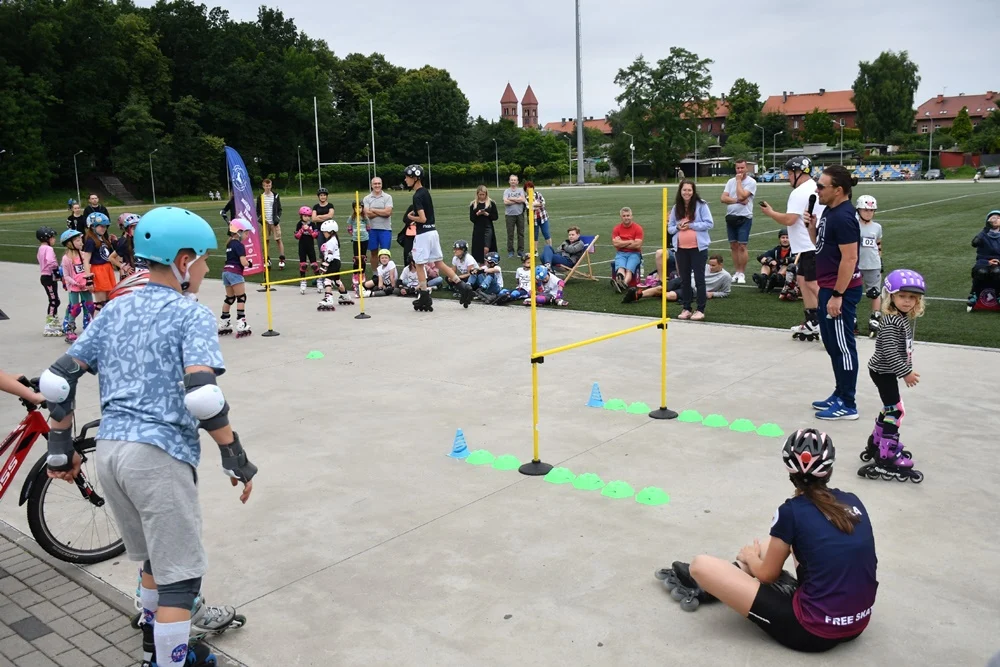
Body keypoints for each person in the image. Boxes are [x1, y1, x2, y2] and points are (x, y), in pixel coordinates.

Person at [38, 206, 256, 667]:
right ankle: (167, 662)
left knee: (156, 562)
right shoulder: (189, 314)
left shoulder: (115, 308)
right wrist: (234, 455)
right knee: (181, 579)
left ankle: (154, 648)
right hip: (157, 456)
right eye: (203, 260)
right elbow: (203, 396)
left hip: (111, 453)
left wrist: (60, 449)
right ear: (182, 261)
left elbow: (57, 380)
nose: (206, 269)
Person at [659, 429, 876, 654]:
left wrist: (751, 557)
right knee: (785, 542)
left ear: (788, 469)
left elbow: (767, 576)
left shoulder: (791, 511)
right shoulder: (852, 501)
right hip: (858, 624)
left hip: (812, 632)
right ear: (829, 469)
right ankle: (735, 574)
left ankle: (722, 581)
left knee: (700, 565)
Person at [804, 166, 862, 420]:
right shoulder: (829, 211)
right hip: (828, 287)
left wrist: (838, 294)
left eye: (821, 186)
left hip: (841, 291)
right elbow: (821, 246)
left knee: (843, 347)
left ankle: (848, 403)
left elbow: (850, 259)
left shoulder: (844, 217)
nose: (817, 190)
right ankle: (839, 393)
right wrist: (812, 228)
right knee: (831, 344)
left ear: (838, 190)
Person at [860, 269, 926, 483]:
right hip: (883, 371)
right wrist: (905, 372)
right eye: (902, 296)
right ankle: (887, 454)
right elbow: (889, 351)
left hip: (886, 371)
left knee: (889, 408)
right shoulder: (891, 322)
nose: (907, 301)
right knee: (896, 411)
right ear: (891, 297)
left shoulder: (900, 318)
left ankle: (877, 442)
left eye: (912, 297)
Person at [760, 156, 824, 341]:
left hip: (809, 245)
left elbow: (789, 219)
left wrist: (770, 212)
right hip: (807, 245)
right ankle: (813, 321)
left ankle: (832, 320)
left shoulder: (799, 192)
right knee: (803, 281)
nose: (788, 177)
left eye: (789, 173)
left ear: (798, 173)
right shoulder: (813, 186)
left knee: (812, 284)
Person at [404, 164, 473, 311]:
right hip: (433, 232)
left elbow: (422, 218)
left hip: (423, 235)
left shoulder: (417, 195)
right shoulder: (425, 192)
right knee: (439, 263)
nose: (405, 180)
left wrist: (411, 217)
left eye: (407, 177)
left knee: (419, 264)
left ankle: (424, 296)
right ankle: (463, 287)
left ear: (415, 178)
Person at [667, 181, 714, 320]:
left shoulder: (701, 205)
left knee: (699, 279)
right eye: (684, 190)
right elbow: (670, 228)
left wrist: (691, 225)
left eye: (689, 190)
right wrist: (678, 227)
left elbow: (709, 223)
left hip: (698, 248)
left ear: (693, 192)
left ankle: (700, 309)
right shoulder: (676, 207)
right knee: (685, 280)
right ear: (680, 191)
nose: (686, 193)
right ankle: (686, 308)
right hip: (681, 249)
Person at [623, 254, 730, 304]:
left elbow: (726, 292)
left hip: (693, 290)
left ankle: (651, 294)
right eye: (710, 264)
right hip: (684, 280)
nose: (710, 267)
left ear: (721, 264)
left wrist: (713, 294)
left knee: (669, 296)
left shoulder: (725, 276)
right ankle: (637, 295)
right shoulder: (704, 266)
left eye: (713, 265)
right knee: (660, 288)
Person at [721, 159, 757, 284]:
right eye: (738, 168)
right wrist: (737, 201)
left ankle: (742, 273)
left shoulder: (751, 182)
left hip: (744, 217)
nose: (740, 170)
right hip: (731, 216)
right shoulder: (730, 181)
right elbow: (723, 198)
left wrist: (738, 182)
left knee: (742, 246)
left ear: (746, 168)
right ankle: (736, 272)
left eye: (742, 168)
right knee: (733, 246)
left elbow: (742, 195)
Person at [82, 212, 122, 314]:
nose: (104, 229)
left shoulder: (103, 239)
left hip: (107, 270)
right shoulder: (90, 241)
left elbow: (111, 256)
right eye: (101, 226)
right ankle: (95, 323)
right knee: (100, 303)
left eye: (105, 226)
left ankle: (107, 323)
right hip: (98, 271)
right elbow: (86, 260)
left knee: (109, 302)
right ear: (92, 227)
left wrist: (114, 243)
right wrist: (89, 279)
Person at [219, 220, 253, 338]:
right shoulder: (239, 245)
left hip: (226, 272)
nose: (247, 235)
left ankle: (224, 322)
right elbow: (243, 262)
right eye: (246, 233)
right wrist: (250, 263)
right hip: (235, 272)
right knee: (241, 297)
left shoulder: (229, 244)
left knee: (230, 298)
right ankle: (241, 323)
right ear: (239, 232)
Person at [59, 229, 93, 343]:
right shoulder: (66, 259)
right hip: (74, 286)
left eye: (80, 240)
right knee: (75, 308)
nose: (81, 242)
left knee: (90, 306)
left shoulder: (83, 255)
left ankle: (89, 325)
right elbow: (66, 276)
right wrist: (75, 283)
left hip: (85, 285)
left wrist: (89, 280)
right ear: (70, 243)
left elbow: (87, 269)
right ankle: (70, 329)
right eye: (78, 241)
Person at [855, 196, 883, 336]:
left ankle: (875, 318)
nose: (868, 213)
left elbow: (878, 244)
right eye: (865, 210)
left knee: (874, 293)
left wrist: (880, 260)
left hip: (873, 264)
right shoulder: (853, 225)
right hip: (856, 264)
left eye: (871, 210)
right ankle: (851, 318)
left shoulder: (877, 227)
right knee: (852, 292)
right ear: (858, 210)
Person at [317, 221, 354, 310]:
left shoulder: (330, 242)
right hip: (337, 262)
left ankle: (328, 298)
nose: (324, 234)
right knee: (337, 280)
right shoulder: (334, 239)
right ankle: (345, 296)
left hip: (332, 262)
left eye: (325, 232)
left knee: (327, 280)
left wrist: (324, 266)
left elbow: (329, 256)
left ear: (331, 231)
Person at [968, 209, 1000, 310]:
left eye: (998, 218)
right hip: (983, 262)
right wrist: (986, 229)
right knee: (981, 272)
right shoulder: (983, 234)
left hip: (998, 262)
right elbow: (974, 243)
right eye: (993, 218)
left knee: (997, 271)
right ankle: (974, 295)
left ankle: (999, 295)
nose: (996, 220)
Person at [36, 227, 62, 337]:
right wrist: (57, 270)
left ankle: (54, 321)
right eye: (53, 237)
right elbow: (51, 261)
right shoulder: (48, 249)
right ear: (46, 238)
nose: (54, 239)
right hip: (48, 277)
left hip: (46, 276)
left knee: (55, 300)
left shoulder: (41, 248)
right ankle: (49, 324)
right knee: (53, 301)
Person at [363, 177, 394, 269]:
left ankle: (386, 272)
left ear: (381, 184)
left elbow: (388, 213)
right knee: (373, 252)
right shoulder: (367, 198)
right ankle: (375, 273)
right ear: (371, 185)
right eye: (375, 184)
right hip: (371, 229)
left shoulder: (388, 197)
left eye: (379, 183)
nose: (377, 185)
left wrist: (373, 209)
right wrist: (382, 211)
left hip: (385, 229)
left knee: (385, 253)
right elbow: (368, 214)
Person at [611, 207, 644, 291]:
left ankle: (623, 284)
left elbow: (637, 245)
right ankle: (620, 282)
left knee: (629, 270)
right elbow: (615, 244)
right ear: (621, 217)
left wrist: (621, 243)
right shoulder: (616, 228)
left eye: (628, 215)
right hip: (621, 253)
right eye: (624, 216)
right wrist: (630, 241)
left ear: (631, 216)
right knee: (620, 268)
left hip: (635, 253)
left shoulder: (638, 228)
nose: (626, 218)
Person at [255, 178, 284, 269]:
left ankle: (282, 258)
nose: (268, 187)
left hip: (274, 222)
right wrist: (260, 219)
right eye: (266, 186)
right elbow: (258, 210)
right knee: (266, 240)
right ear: (263, 186)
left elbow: (279, 209)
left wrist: (277, 218)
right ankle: (267, 259)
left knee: (278, 239)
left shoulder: (275, 196)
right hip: (265, 222)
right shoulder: (260, 197)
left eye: (269, 186)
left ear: (271, 186)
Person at [294, 206, 322, 294]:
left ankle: (319, 280)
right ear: (301, 216)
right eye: (305, 216)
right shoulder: (299, 224)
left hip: (310, 246)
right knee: (303, 265)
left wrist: (309, 230)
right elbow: (297, 236)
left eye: (309, 216)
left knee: (314, 265)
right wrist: (302, 230)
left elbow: (315, 235)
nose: (307, 218)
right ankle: (303, 281)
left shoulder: (312, 224)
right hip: (302, 246)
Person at [469, 185, 499, 264]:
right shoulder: (473, 204)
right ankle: (481, 264)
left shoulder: (491, 203)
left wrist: (487, 214)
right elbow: (472, 219)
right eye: (480, 194)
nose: (482, 196)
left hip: (488, 228)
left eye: (483, 194)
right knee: (479, 248)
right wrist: (477, 214)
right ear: (477, 194)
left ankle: (487, 263)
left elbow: (495, 217)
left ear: (486, 194)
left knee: (486, 248)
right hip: (478, 229)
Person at [347, 201, 371, 293]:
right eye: (356, 208)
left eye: (360, 207)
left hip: (364, 239)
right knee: (357, 258)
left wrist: (365, 232)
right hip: (356, 239)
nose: (358, 209)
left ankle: (362, 273)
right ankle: (355, 274)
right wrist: (352, 233)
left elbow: (368, 227)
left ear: (362, 208)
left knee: (363, 257)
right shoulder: (352, 217)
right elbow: (349, 227)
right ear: (354, 208)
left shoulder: (365, 217)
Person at [503, 174, 527, 258]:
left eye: (515, 180)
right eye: (512, 180)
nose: (513, 181)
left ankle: (520, 251)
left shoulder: (521, 190)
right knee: (510, 234)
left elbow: (523, 200)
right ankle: (510, 251)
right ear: (509, 181)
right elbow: (506, 202)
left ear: (517, 182)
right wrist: (517, 200)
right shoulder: (506, 191)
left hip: (520, 214)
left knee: (521, 233)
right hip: (509, 215)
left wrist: (511, 199)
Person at [115, 213, 144, 278]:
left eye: (138, 228)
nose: (136, 230)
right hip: (133, 275)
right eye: (134, 228)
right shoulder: (125, 242)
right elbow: (112, 258)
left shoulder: (144, 241)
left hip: (145, 272)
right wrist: (123, 267)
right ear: (128, 230)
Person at [525, 180, 551, 251]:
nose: (529, 189)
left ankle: (550, 249)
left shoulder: (538, 194)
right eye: (527, 187)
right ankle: (535, 250)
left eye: (530, 187)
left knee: (546, 233)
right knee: (534, 236)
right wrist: (537, 204)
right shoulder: (526, 197)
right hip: (533, 219)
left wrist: (535, 204)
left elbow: (543, 203)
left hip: (543, 217)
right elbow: (529, 207)